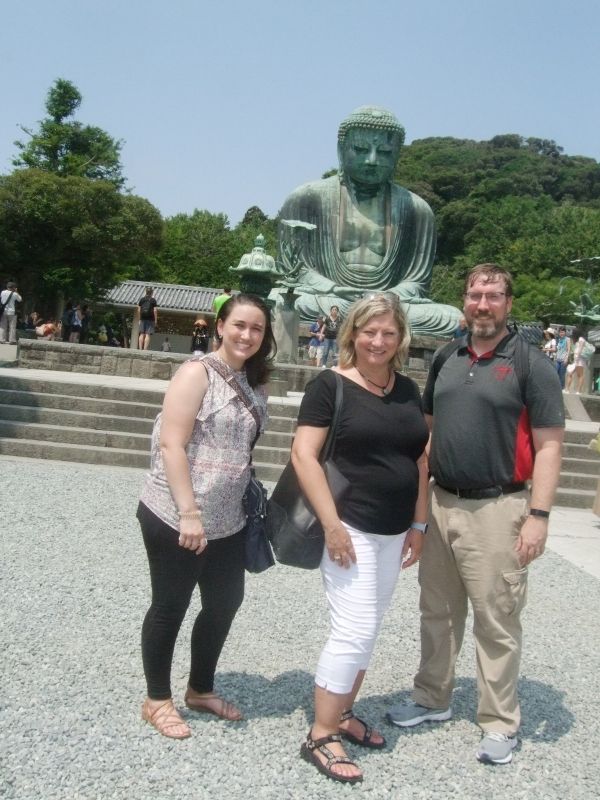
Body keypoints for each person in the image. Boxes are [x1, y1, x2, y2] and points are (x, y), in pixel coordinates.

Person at [387, 263, 564, 766]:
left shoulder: (530, 363)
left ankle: (500, 720)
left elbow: (551, 445)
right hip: (442, 500)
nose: (482, 304)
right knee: (436, 612)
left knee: (496, 618)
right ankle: (431, 697)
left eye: (492, 295)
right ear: (463, 301)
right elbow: (423, 432)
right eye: (474, 294)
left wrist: (539, 514)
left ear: (509, 302)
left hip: (499, 505)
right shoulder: (445, 356)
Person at [291, 294, 429, 784]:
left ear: (401, 339)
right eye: (369, 332)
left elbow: (420, 460)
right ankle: (321, 732)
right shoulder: (329, 385)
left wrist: (419, 524)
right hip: (349, 524)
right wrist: (331, 525)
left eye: (388, 333)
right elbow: (304, 456)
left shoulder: (409, 389)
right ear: (352, 334)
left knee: (370, 626)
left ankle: (344, 712)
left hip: (395, 530)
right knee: (353, 626)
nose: (378, 341)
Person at [137, 294, 275, 739]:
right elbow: (171, 444)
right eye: (239, 325)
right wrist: (189, 512)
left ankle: (200, 689)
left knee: (224, 603)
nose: (246, 335)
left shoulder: (256, 382)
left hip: (228, 517)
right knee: (170, 605)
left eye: (256, 328)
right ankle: (157, 699)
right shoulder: (196, 372)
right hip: (178, 512)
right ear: (220, 326)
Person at [272, 105, 461, 336]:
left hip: (388, 303)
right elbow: (293, 270)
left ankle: (373, 317)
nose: (372, 160)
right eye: (361, 149)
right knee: (278, 301)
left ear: (397, 155)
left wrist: (386, 297)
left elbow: (417, 282)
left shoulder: (417, 210)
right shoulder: (307, 198)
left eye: (384, 152)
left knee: (451, 318)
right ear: (341, 149)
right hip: (327, 298)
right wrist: (334, 289)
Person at [566, 329, 592, 394]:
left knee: (580, 375)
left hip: (579, 359)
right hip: (576, 359)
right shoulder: (579, 339)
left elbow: (580, 350)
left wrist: (577, 359)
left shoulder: (581, 339)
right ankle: (567, 389)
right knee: (570, 373)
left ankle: (578, 391)